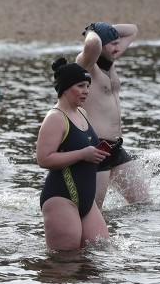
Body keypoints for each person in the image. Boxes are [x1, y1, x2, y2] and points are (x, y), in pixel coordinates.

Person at [36, 58, 110, 251]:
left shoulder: (82, 113)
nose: (86, 91)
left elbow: (84, 146)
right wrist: (82, 154)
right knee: (64, 264)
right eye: (81, 86)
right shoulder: (55, 118)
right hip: (61, 198)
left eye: (87, 86)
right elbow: (43, 159)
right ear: (65, 88)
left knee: (100, 253)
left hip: (87, 200)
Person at [75, 21, 150, 208]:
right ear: (101, 44)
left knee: (144, 204)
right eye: (113, 43)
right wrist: (93, 30)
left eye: (118, 43)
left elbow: (132, 29)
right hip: (96, 147)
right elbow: (92, 44)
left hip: (115, 148)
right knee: (92, 211)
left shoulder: (110, 61)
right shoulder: (87, 64)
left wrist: (108, 31)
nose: (118, 47)